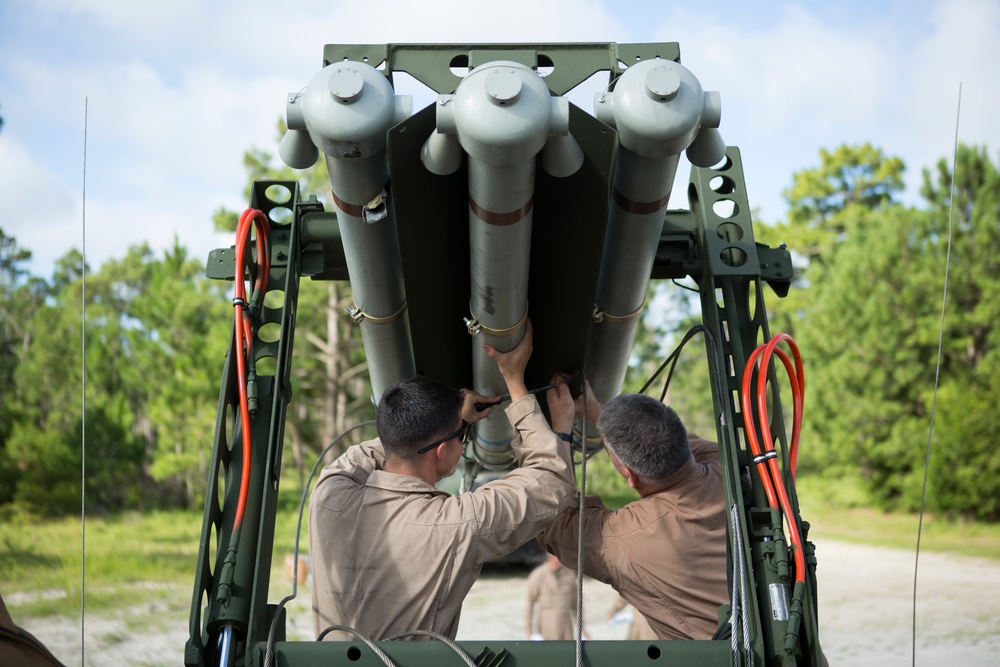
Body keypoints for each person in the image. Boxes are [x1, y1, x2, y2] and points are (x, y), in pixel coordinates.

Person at [309, 320, 578, 641]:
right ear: (440, 452)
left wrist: (443, 423)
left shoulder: (328, 494)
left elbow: (374, 450)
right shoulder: (457, 523)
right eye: (460, 437)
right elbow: (551, 479)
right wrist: (516, 384)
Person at [539, 388, 729, 641]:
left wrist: (561, 431)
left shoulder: (626, 538)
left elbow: (549, 517)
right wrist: (599, 413)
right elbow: (679, 446)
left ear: (629, 475)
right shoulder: (732, 472)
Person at [525, 553, 581, 640]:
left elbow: (576, 603)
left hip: (565, 623)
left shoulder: (569, 575)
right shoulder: (538, 575)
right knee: (548, 651)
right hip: (546, 623)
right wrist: (529, 629)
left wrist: (581, 626)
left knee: (568, 651)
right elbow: (529, 603)